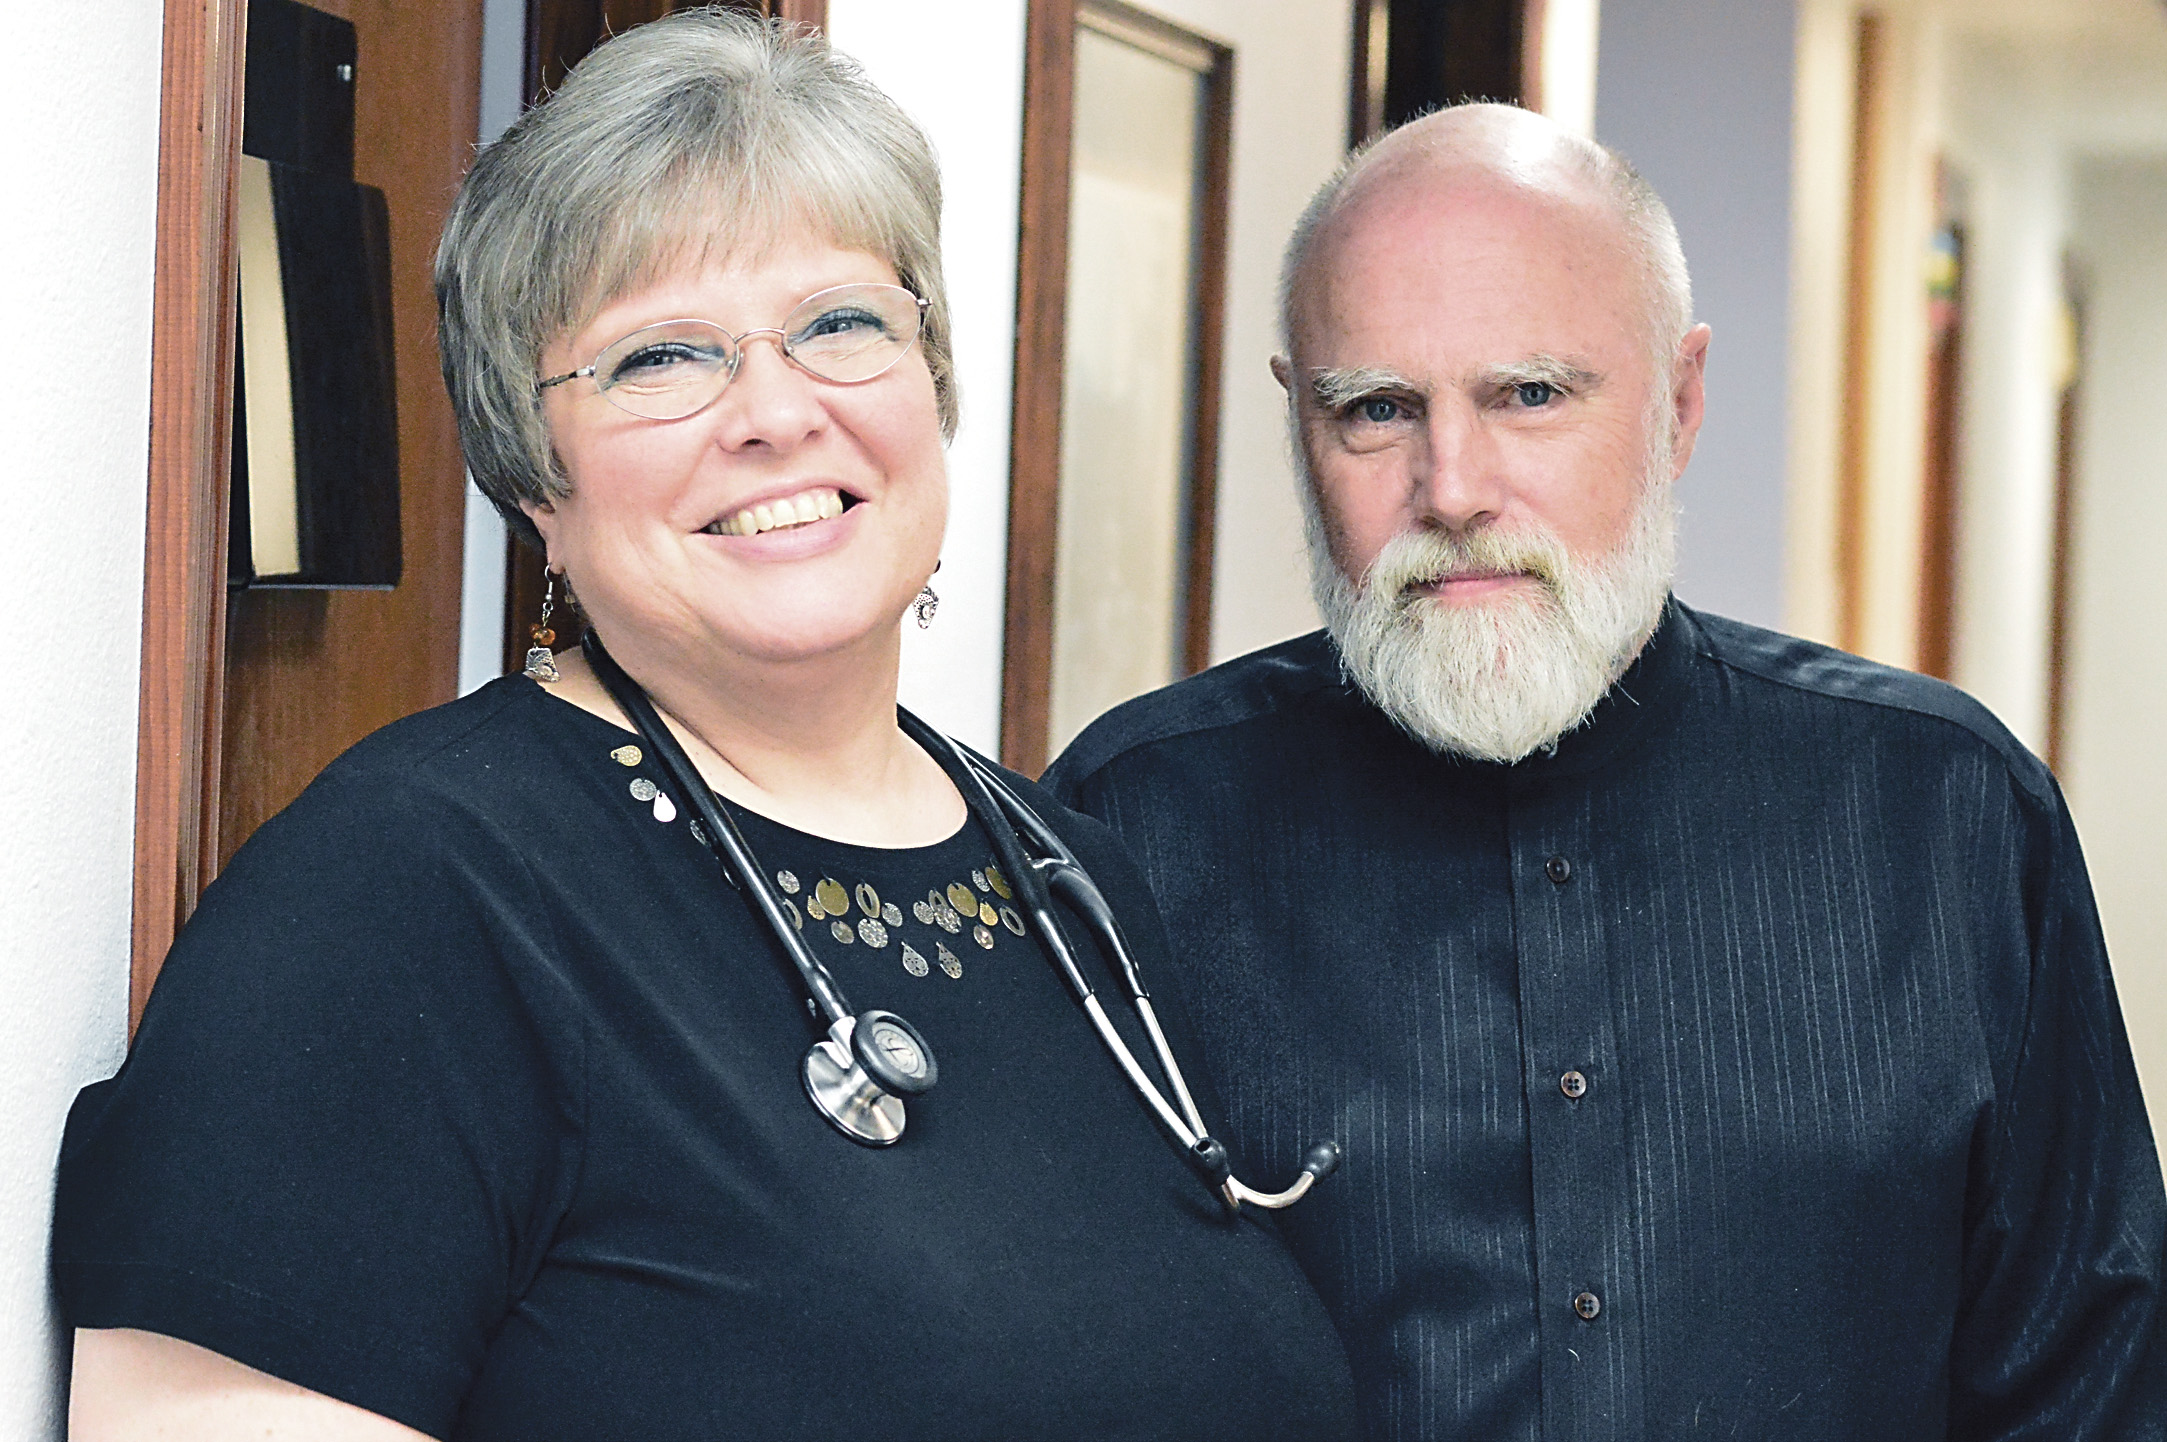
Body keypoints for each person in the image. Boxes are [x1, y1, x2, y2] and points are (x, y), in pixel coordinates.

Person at [52, 13, 1355, 1439]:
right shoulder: (407, 895)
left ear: (936, 383)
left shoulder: (1070, 876)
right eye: (662, 357)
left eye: (844, 322)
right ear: (532, 467)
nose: (776, 412)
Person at [1047, 101, 2166, 1440]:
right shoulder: (1134, 829)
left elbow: (2094, 1387)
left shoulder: (1948, 813)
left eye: (1530, 394)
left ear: (1680, 404)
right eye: (1378, 409)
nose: (1451, 485)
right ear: (1301, 425)